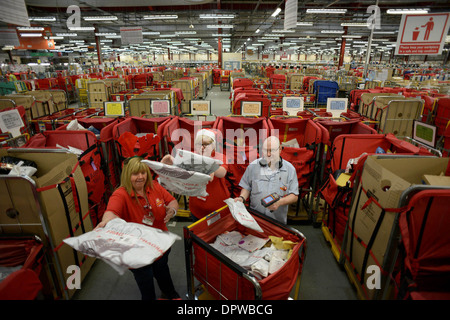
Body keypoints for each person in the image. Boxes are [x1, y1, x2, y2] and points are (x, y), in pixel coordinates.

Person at [96, 156, 180, 300]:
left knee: (162, 272)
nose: (140, 177)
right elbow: (111, 211)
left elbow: (172, 201)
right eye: (135, 174)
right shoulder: (121, 194)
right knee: (145, 281)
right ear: (127, 175)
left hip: (160, 246)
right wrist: (106, 221)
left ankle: (169, 294)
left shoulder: (154, 186)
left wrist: (172, 210)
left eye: (143, 172)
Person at [161, 128, 230, 221]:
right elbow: (182, 167)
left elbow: (222, 173)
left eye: (206, 144)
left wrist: (210, 167)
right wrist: (172, 161)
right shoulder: (192, 155)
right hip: (196, 208)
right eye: (199, 144)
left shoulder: (220, 157)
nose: (202, 147)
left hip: (217, 209)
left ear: (213, 145)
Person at [234, 136, 298, 224]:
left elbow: (294, 195)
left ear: (279, 149)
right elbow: (246, 187)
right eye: (265, 150)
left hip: (277, 221)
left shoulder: (290, 169)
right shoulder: (253, 166)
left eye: (271, 151)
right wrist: (242, 198)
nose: (268, 154)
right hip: (255, 218)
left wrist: (279, 202)